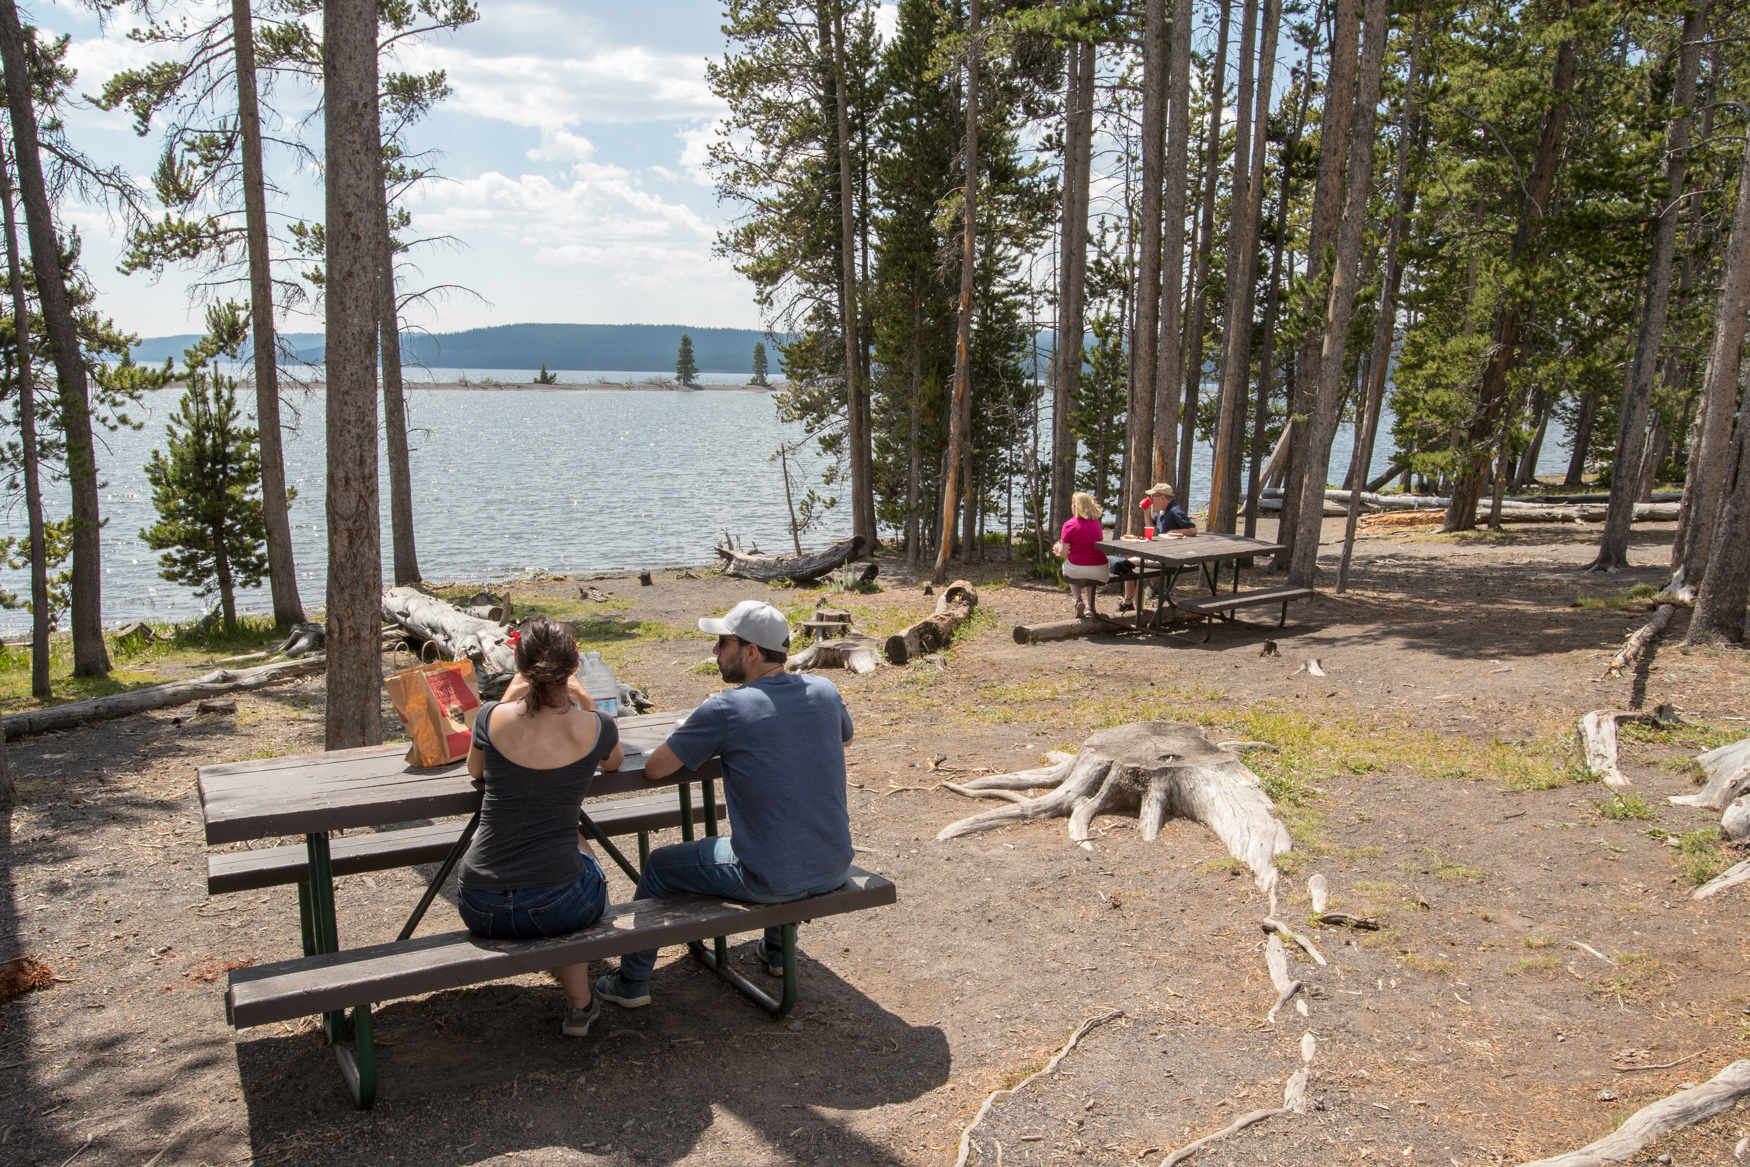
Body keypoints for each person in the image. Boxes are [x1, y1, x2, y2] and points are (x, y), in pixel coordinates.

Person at [594, 599, 854, 1009]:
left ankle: (631, 981)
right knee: (778, 830)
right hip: (834, 864)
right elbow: (845, 735)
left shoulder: (726, 707)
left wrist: (709, 730)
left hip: (770, 877)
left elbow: (657, 768)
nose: (715, 652)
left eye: (722, 643)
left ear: (750, 651)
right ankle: (776, 953)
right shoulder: (824, 690)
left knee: (661, 866)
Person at [455, 616, 623, 1039]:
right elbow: (616, 762)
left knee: (563, 849)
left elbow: (476, 771)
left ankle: (580, 1003)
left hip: (481, 905)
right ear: (573, 667)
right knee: (576, 848)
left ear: (520, 664)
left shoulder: (489, 718)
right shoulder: (596, 726)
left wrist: (515, 690)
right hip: (558, 905)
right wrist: (581, 696)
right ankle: (579, 1004)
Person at [1119, 483, 1197, 615]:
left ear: (1162, 497)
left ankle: (1129, 605)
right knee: (1135, 569)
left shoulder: (1174, 510)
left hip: (1170, 558)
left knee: (1130, 563)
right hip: (1160, 554)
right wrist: (1146, 512)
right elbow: (1151, 528)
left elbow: (1192, 530)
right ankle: (1133, 607)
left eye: (1152, 496)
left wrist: (1171, 532)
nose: (1150, 499)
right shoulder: (1161, 512)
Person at [1054, 491, 1110, 619]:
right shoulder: (1096, 523)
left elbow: (1063, 554)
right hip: (1100, 569)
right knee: (1089, 572)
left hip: (1077, 569)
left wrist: (1058, 549)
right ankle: (1090, 606)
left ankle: (1077, 600)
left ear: (1075, 506)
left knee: (1066, 567)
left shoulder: (1069, 525)